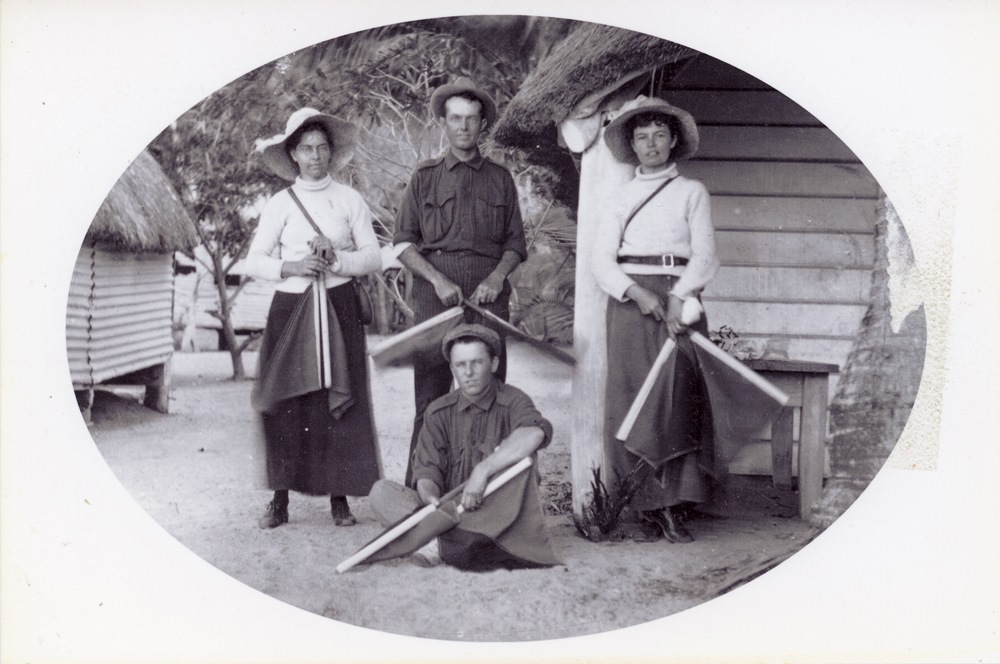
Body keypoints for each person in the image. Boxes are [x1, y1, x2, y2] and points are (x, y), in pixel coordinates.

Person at [591, 96, 721, 543]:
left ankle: (676, 504)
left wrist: (678, 296)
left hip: (680, 299)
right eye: (641, 137)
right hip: (631, 304)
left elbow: (705, 256)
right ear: (632, 144)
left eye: (659, 136)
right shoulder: (620, 198)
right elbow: (601, 261)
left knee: (678, 398)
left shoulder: (692, 192)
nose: (651, 144)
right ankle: (644, 503)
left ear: (672, 142)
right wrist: (637, 293)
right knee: (634, 398)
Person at [246, 107, 382, 529]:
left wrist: (336, 259)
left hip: (339, 307)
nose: (315, 156)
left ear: (331, 152)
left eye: (322, 147)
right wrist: (294, 267)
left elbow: (375, 256)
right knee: (286, 400)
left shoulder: (348, 199)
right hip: (291, 309)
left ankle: (339, 499)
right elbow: (254, 261)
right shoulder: (279, 204)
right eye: (306, 149)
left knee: (340, 400)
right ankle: (279, 499)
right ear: (293, 155)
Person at [392, 77, 528, 486]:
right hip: (437, 299)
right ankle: (419, 491)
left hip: (488, 299)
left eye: (471, 119)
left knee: (490, 398)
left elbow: (516, 244)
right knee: (430, 399)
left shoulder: (501, 179)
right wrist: (435, 280)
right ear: (443, 123)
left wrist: (496, 278)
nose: (464, 127)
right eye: (455, 119)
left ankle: (491, 488)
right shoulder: (425, 177)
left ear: (482, 124)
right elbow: (402, 243)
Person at [368, 324, 558, 570]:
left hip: (498, 512)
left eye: (477, 363)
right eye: (460, 365)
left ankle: (435, 544)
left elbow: (535, 432)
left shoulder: (514, 400)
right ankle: (448, 541)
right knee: (381, 492)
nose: (468, 372)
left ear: (494, 364)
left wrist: (483, 471)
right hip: (450, 514)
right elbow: (427, 473)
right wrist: (432, 502)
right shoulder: (437, 412)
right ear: (452, 368)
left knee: (521, 470)